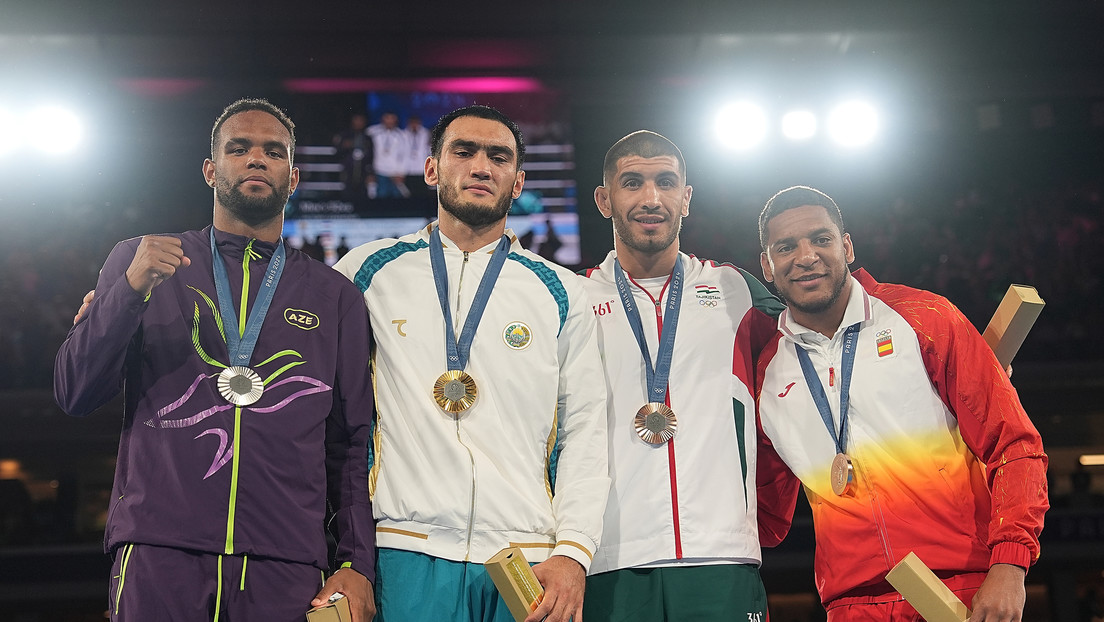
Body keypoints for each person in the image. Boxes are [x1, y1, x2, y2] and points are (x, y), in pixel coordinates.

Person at [54, 98, 376, 622]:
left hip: (287, 562)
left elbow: (350, 442)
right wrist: (129, 292)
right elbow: (74, 393)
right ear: (210, 169)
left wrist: (356, 561)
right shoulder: (140, 261)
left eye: (273, 152)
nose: (256, 159)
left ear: (293, 177)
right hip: (159, 550)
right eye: (238, 148)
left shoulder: (334, 297)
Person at [333, 105, 608, 622]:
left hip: (526, 555)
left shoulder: (563, 291)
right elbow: (334, 422)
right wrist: (344, 553)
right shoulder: (367, 273)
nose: (482, 166)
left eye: (498, 157)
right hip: (403, 549)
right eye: (464, 151)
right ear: (432, 168)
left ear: (518, 179)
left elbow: (586, 432)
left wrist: (573, 550)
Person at [754, 185, 1049, 621]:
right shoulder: (767, 371)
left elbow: (1015, 444)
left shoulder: (924, 318)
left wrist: (1010, 564)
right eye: (786, 247)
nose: (806, 256)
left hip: (962, 589)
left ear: (847, 246)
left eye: (821, 239)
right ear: (767, 265)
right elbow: (767, 520)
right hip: (851, 606)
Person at [579, 130, 783, 621]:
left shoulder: (736, 290)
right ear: (604, 200)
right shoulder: (571, 300)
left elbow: (819, 347)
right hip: (609, 559)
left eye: (666, 182)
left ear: (686, 198)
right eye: (632, 183)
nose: (651, 198)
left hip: (721, 554)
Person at [367, 111, 410, 199]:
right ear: (382, 119)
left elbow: (405, 155)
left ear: (396, 120)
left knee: (396, 200)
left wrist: (402, 173)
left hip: (395, 172)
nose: (389, 121)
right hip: (379, 170)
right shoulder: (372, 132)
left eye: (392, 119)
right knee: (380, 198)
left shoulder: (402, 135)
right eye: (387, 118)